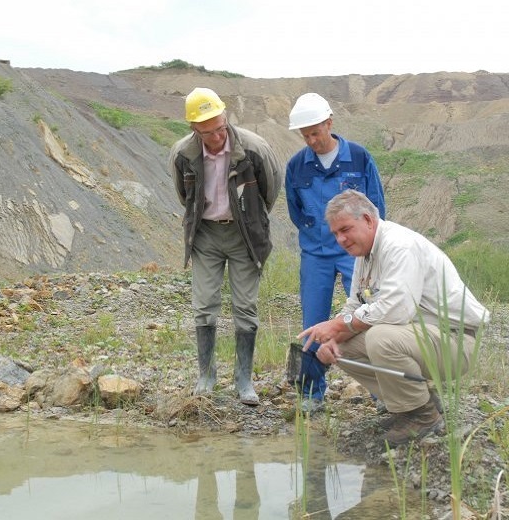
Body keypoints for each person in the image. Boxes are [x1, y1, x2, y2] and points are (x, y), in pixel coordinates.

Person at [297, 190, 490, 445]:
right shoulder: (364, 255)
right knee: (342, 346)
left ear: (368, 220)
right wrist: (334, 336)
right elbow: (355, 304)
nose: (340, 239)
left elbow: (397, 309)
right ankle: (416, 404)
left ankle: (422, 416)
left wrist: (339, 325)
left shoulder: (399, 245)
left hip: (457, 341)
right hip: (422, 337)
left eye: (345, 229)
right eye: (335, 233)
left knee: (380, 337)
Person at [169, 87, 282, 406]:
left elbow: (270, 190)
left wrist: (248, 220)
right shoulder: (183, 154)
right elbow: (184, 195)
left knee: (245, 306)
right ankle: (206, 376)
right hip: (206, 235)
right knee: (204, 304)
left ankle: (244, 380)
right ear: (194, 128)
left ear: (225, 116)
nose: (217, 136)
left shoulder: (254, 149)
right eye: (208, 132)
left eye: (220, 127)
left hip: (244, 235)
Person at [285, 93, 386, 414]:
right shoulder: (296, 166)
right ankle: (311, 393)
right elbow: (296, 211)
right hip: (315, 254)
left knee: (366, 316)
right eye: (305, 136)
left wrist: (369, 248)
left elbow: (376, 207)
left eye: (315, 133)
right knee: (314, 322)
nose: (311, 140)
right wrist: (316, 235)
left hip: (355, 254)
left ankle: (382, 393)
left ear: (329, 123)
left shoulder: (358, 158)